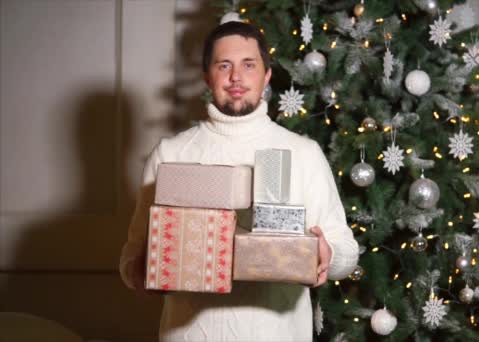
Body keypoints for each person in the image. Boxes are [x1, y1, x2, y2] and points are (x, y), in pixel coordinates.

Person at [119, 21, 359, 341]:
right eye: (224, 65)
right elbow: (131, 257)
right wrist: (144, 269)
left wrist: (328, 255)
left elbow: (345, 251)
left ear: (266, 75)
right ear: (207, 76)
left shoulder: (303, 153)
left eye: (248, 65)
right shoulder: (171, 154)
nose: (236, 77)